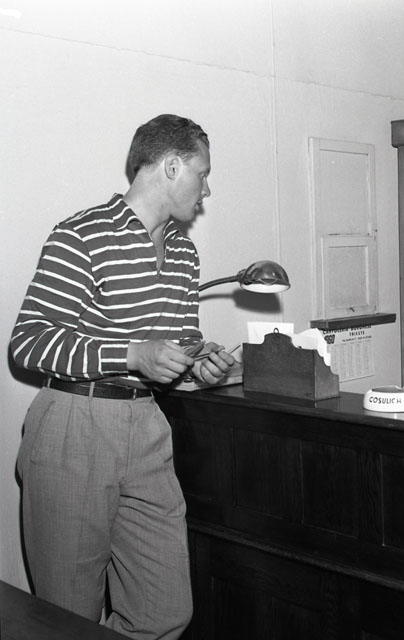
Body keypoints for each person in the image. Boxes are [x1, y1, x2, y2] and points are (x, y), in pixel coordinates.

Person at [11, 114, 236, 639]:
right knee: (68, 617)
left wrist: (199, 363)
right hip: (74, 424)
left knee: (166, 610)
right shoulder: (81, 235)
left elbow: (174, 351)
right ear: (172, 166)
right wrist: (133, 354)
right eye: (203, 174)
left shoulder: (184, 253)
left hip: (147, 426)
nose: (207, 189)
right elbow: (29, 341)